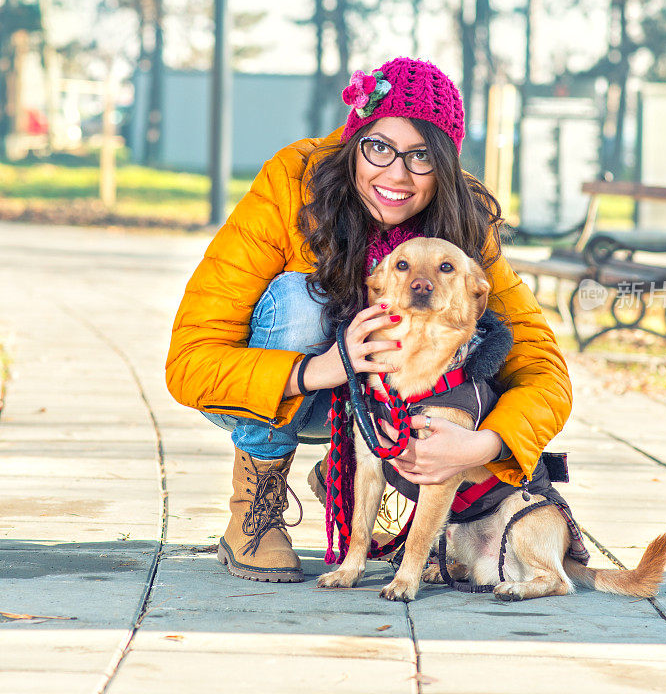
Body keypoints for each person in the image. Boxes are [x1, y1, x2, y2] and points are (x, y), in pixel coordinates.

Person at [165, 57, 572, 584]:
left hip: (390, 415)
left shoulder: (461, 222)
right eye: (379, 147)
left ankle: (360, 479)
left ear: (444, 164)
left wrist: (485, 445)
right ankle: (256, 507)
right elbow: (189, 363)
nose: (396, 175)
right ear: (356, 139)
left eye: (420, 156)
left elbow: (544, 369)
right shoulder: (295, 183)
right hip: (286, 396)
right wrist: (320, 369)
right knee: (301, 299)